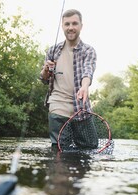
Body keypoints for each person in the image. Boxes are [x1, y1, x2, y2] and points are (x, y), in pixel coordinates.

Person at [39, 9, 97, 148]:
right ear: (62, 26)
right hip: (57, 106)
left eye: (75, 23)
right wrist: (46, 69)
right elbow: (43, 79)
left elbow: (87, 71)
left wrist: (84, 87)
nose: (71, 27)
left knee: (89, 149)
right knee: (60, 152)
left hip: (80, 107)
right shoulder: (53, 50)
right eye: (67, 24)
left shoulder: (88, 51)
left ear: (81, 26)